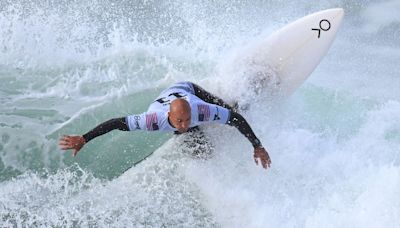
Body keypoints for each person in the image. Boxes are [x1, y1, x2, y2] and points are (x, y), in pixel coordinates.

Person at [59, 81, 271, 169]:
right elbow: (116, 123)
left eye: (187, 120)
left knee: (231, 110)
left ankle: (256, 87)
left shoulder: (201, 110)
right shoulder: (152, 120)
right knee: (202, 151)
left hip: (188, 89)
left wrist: (257, 145)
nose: (185, 124)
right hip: (171, 96)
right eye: (180, 121)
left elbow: (236, 120)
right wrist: (85, 138)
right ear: (170, 115)